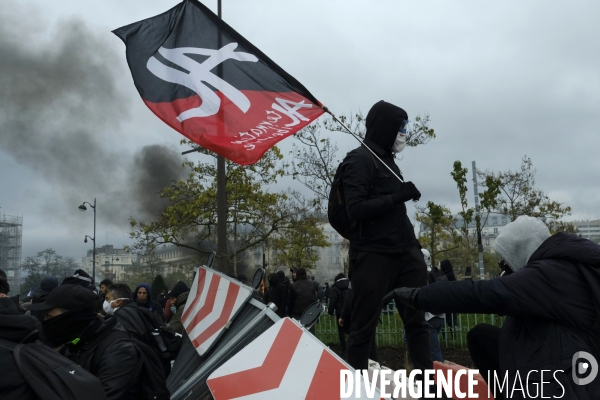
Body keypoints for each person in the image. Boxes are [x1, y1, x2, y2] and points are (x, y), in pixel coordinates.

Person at [385, 216, 600, 400]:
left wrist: (416, 295)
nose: (502, 269)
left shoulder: (550, 275)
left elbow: (483, 294)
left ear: (521, 252)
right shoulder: (559, 268)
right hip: (574, 360)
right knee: (481, 337)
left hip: (578, 380)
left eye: (505, 262)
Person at [340, 100, 430, 372]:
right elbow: (355, 208)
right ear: (384, 128)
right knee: (363, 328)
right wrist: (397, 196)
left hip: (405, 252)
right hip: (374, 256)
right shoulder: (359, 159)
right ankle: (356, 389)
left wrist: (414, 246)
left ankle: (430, 387)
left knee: (417, 324)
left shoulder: (387, 160)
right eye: (400, 128)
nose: (403, 134)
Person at [29, 284, 143, 399]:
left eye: (50, 317)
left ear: (72, 317)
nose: (45, 322)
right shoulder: (75, 341)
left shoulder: (118, 350)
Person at [106, 283, 172, 377]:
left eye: (108, 299)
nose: (106, 302)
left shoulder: (121, 316)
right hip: (155, 366)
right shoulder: (138, 310)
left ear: (118, 302)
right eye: (139, 293)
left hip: (142, 371)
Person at [328, 273, 349, 354]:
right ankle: (352, 347)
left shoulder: (335, 288)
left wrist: (330, 312)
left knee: (341, 331)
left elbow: (333, 301)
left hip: (340, 312)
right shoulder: (350, 285)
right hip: (350, 311)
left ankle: (344, 349)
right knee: (351, 329)